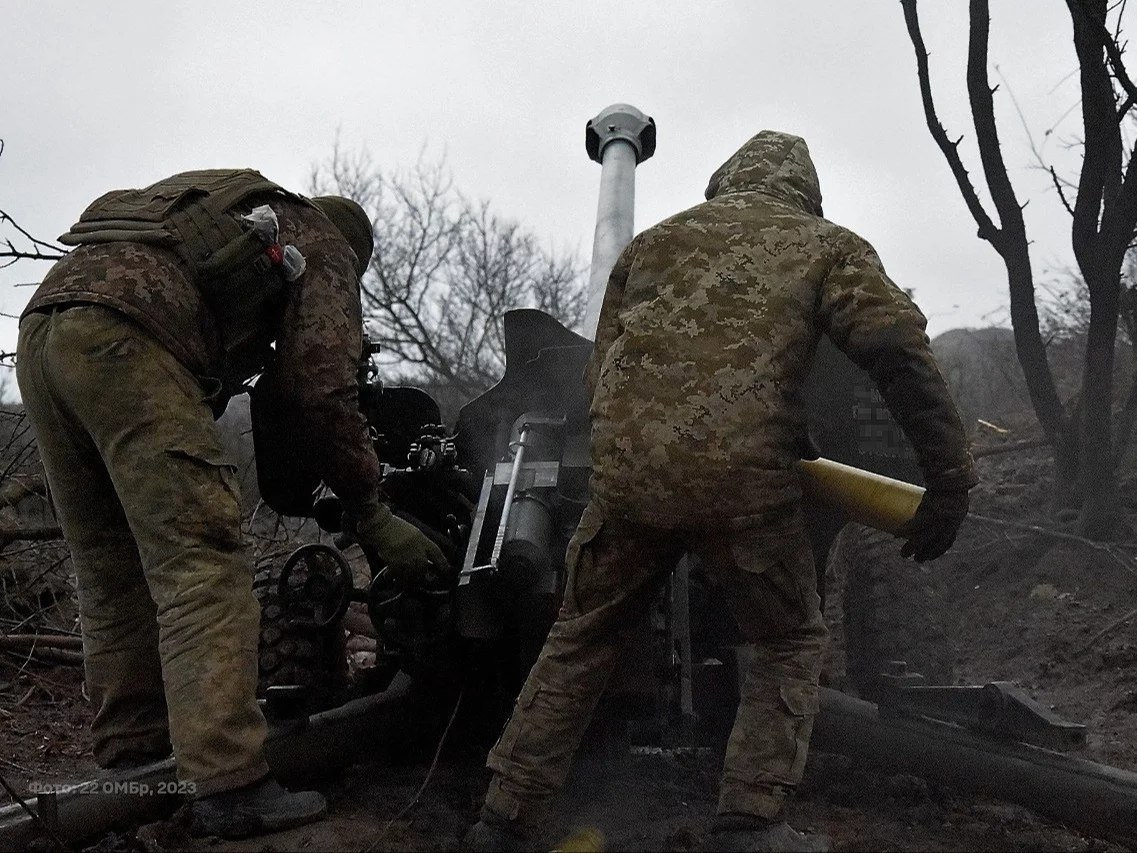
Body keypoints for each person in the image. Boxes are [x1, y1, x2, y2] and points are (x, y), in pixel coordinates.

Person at [462, 131, 977, 853]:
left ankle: (503, 820)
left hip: (628, 478)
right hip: (744, 488)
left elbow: (600, 372)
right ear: (804, 190)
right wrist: (947, 480)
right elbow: (893, 348)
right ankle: (750, 821)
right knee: (787, 637)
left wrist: (636, 451)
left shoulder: (648, 246)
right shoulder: (828, 245)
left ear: (723, 180)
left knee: (578, 637)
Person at [16, 169, 447, 840]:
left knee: (110, 566)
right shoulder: (326, 244)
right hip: (127, 337)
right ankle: (228, 781)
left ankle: (136, 755)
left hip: (44, 333)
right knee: (203, 566)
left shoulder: (244, 211)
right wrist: (373, 512)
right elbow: (323, 387)